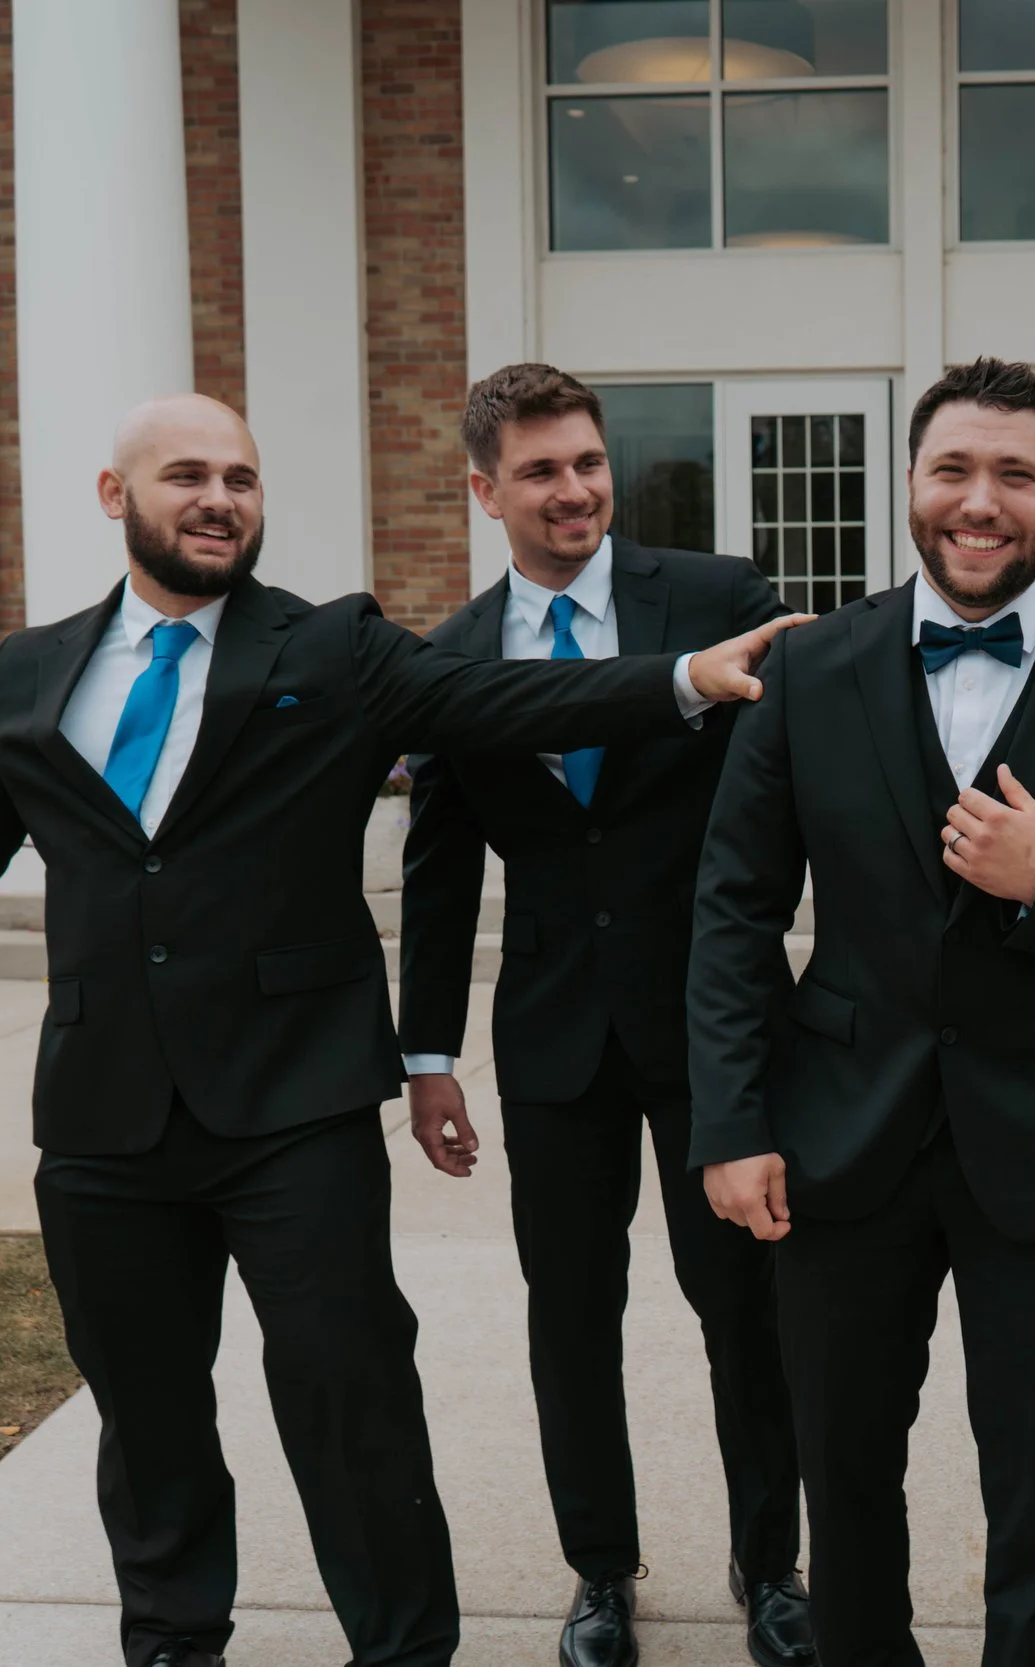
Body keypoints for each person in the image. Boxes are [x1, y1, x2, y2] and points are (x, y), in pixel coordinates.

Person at [0, 394, 802, 1667]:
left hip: (294, 1103)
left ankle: (404, 1647)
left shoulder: (335, 648)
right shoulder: (32, 673)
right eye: (190, 476)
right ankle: (171, 1642)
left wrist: (684, 678)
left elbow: (500, 702)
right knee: (146, 1413)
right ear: (117, 497)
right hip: (103, 1109)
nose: (220, 498)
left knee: (348, 1393)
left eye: (243, 479)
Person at [688, 358, 1035, 1666]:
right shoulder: (810, 669)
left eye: (1016, 474)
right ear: (911, 484)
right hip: (838, 1135)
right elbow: (732, 913)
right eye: (954, 469)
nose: (981, 501)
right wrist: (731, 1119)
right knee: (846, 1471)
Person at [395, 364, 809, 1667]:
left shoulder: (717, 600)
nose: (572, 489)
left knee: (744, 1308)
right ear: (484, 489)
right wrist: (427, 1052)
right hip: (558, 1033)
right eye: (539, 470)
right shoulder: (451, 659)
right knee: (567, 1312)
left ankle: (772, 1563)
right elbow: (439, 862)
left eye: (586, 461)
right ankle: (600, 1570)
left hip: (717, 1028)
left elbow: (797, 792)